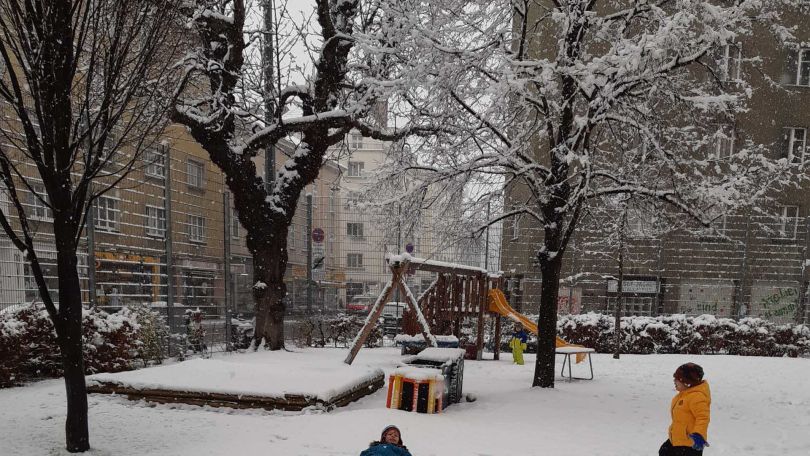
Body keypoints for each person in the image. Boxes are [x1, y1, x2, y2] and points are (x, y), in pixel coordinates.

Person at [659, 363, 711, 456]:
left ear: (687, 382)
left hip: (690, 443)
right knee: (664, 451)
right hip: (678, 438)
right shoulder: (683, 395)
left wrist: (699, 434)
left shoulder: (697, 397)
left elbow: (703, 417)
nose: (674, 381)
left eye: (677, 379)